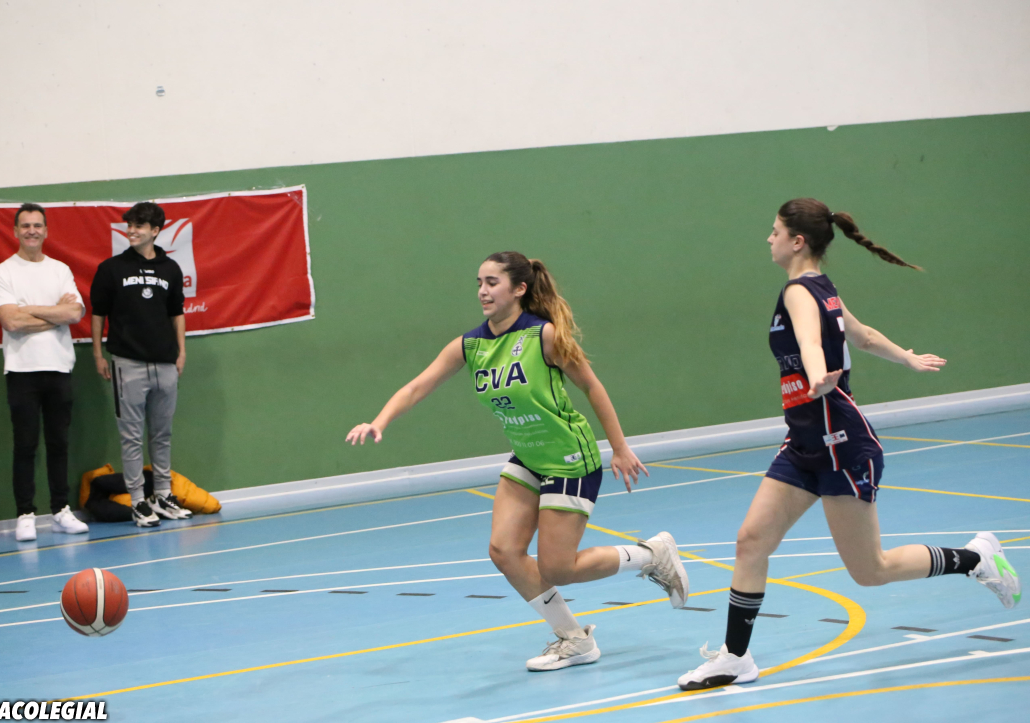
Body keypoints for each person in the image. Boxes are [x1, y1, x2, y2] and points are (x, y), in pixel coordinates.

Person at [677, 198, 1021, 691]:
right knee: (751, 541)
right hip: (804, 442)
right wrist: (907, 357)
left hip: (841, 444)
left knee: (871, 571)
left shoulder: (800, 290)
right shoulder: (824, 289)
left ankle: (975, 558)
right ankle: (735, 657)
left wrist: (819, 375)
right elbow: (863, 337)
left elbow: (812, 344)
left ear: (797, 241)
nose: (768, 238)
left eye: (775, 231)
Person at [347, 251, 689, 671]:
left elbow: (592, 386)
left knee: (558, 568)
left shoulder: (543, 336)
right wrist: (379, 421)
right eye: (479, 282)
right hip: (527, 456)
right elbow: (417, 386)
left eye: (492, 282)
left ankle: (651, 555)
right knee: (504, 551)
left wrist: (619, 447)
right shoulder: (470, 345)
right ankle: (574, 639)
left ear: (519, 288)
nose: (482, 291)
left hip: (567, 457)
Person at [0, 203, 90, 541]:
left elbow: (74, 313)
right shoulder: (3, 273)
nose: (31, 231)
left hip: (59, 368)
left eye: (37, 225)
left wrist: (29, 309)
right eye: (25, 225)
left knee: (59, 443)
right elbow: (11, 321)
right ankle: (25, 515)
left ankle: (60, 511)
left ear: (45, 231)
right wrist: (54, 313)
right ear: (15, 231)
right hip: (22, 371)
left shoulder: (60, 270)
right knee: (25, 445)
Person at [91, 202, 192, 528]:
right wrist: (97, 354)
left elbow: (177, 312)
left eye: (139, 226)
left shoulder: (170, 268)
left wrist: (181, 351)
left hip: (165, 364)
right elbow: (98, 314)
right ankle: (137, 500)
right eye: (130, 225)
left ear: (155, 231)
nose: (132, 231)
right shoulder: (111, 268)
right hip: (127, 364)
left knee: (162, 434)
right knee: (131, 437)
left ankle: (162, 494)